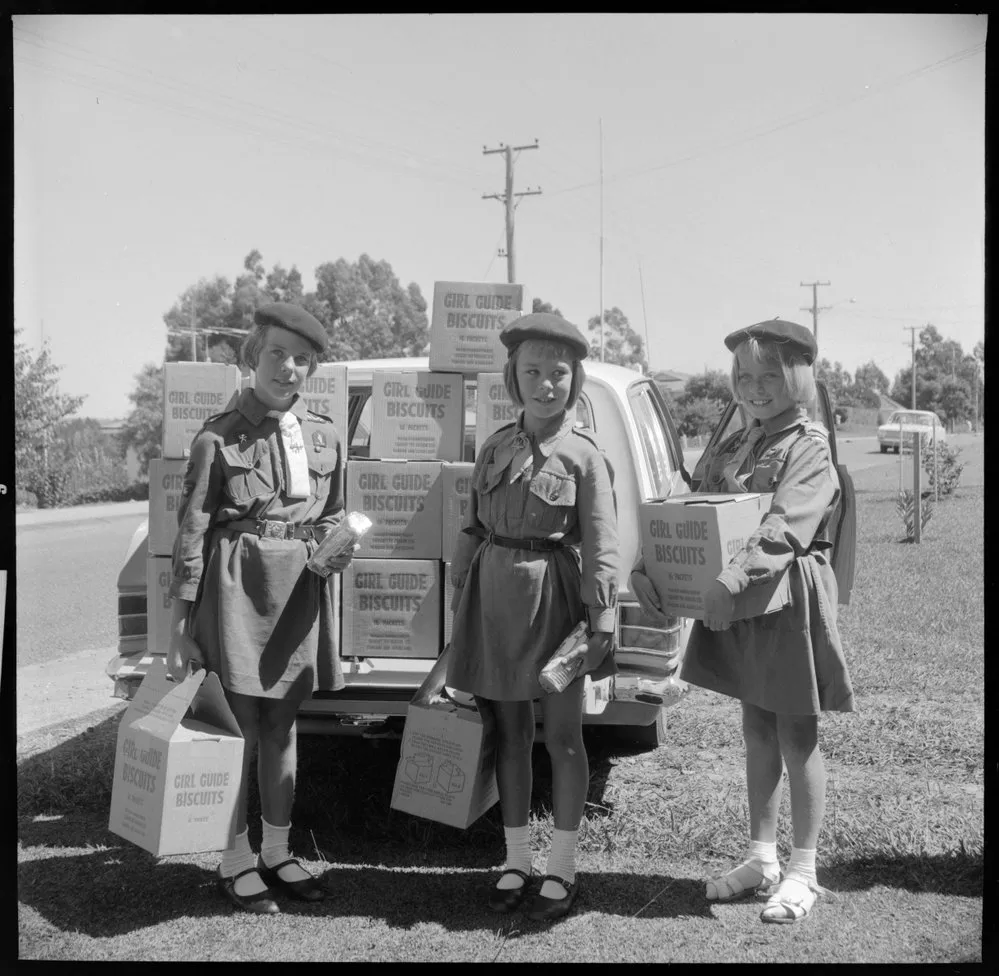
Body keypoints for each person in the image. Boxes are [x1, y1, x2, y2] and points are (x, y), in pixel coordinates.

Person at [632, 318, 854, 924]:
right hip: (742, 602)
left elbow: (784, 528)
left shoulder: (808, 446)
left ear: (799, 377)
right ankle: (762, 857)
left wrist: (728, 582)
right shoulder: (737, 443)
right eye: (745, 377)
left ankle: (803, 868)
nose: (755, 388)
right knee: (757, 726)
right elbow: (687, 506)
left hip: (785, 600)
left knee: (796, 733)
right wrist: (644, 566)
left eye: (769, 376)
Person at [167, 302, 354, 916]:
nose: (289, 368)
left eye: (303, 359)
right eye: (277, 353)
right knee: (239, 731)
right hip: (236, 593)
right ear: (253, 356)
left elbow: (334, 515)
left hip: (299, 591)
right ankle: (234, 859)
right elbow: (190, 536)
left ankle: (277, 851)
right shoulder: (216, 437)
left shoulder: (325, 435)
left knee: (282, 727)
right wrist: (181, 628)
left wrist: (340, 542)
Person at [446, 313, 620, 923]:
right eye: (532, 372)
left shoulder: (585, 455)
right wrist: (459, 598)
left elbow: (602, 541)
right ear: (512, 378)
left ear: (575, 380)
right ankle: (515, 858)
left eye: (558, 374)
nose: (545, 385)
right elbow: (472, 525)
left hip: (557, 603)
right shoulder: (494, 446)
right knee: (511, 735)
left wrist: (603, 621)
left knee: (565, 739)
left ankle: (563, 866)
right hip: (494, 600)